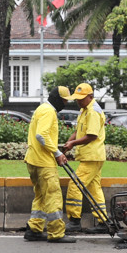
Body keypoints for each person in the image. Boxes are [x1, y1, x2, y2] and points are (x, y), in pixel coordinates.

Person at [24, 86, 75, 243]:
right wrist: (57, 153)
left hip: (34, 159)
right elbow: (41, 135)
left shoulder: (42, 109)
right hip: (44, 162)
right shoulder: (48, 112)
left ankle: (34, 229)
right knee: (53, 196)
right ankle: (56, 233)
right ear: (58, 99)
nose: (66, 104)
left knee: (40, 195)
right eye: (65, 100)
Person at [61, 83, 106, 232]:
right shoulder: (84, 110)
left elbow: (92, 135)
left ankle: (74, 221)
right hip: (91, 156)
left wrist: (73, 143)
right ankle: (103, 222)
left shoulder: (93, 111)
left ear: (90, 96)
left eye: (81, 98)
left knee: (75, 184)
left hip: (92, 156)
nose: (78, 101)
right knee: (94, 189)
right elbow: (78, 131)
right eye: (77, 99)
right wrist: (70, 141)